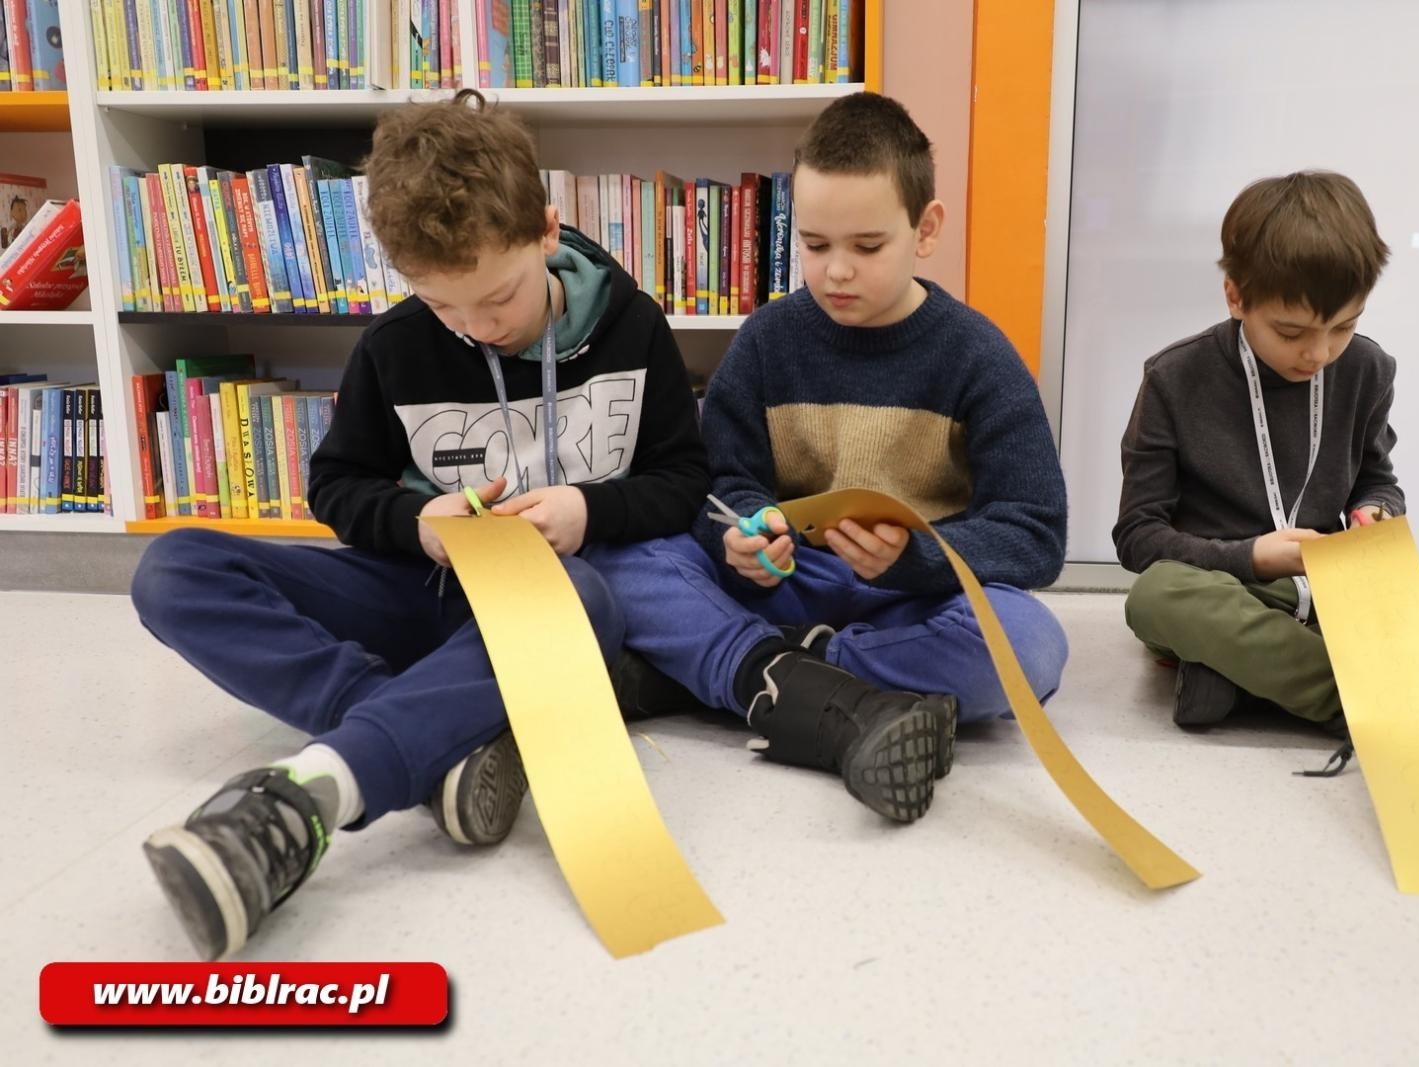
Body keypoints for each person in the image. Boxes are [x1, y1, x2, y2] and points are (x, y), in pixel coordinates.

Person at [130, 90, 709, 959]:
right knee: (172, 570)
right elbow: (336, 486)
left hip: (547, 598)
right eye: (446, 308)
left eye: (498, 297)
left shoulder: (633, 327)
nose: (478, 327)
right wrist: (415, 521)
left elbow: (683, 479)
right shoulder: (394, 346)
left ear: (547, 231)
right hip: (423, 583)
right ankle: (420, 738)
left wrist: (590, 508)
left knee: (582, 601)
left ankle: (318, 787)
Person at [589, 92, 1069, 825]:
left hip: (916, 602)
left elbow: (1036, 534)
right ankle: (783, 672)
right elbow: (720, 484)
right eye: (814, 245)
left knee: (1033, 644)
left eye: (867, 247)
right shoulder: (766, 339)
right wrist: (745, 535)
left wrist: (918, 557)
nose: (836, 270)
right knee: (627, 561)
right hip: (791, 581)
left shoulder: (978, 355)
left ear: (926, 229)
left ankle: (749, 669)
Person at [1114, 170, 1419, 766]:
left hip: (1340, 594)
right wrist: (1253, 556)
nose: (1318, 354)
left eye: (1343, 327)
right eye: (1291, 332)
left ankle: (1252, 682)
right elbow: (1139, 539)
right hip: (1232, 590)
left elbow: (1376, 478)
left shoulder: (1368, 368)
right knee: (1159, 596)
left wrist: (1378, 511)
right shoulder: (1173, 377)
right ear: (1236, 296)